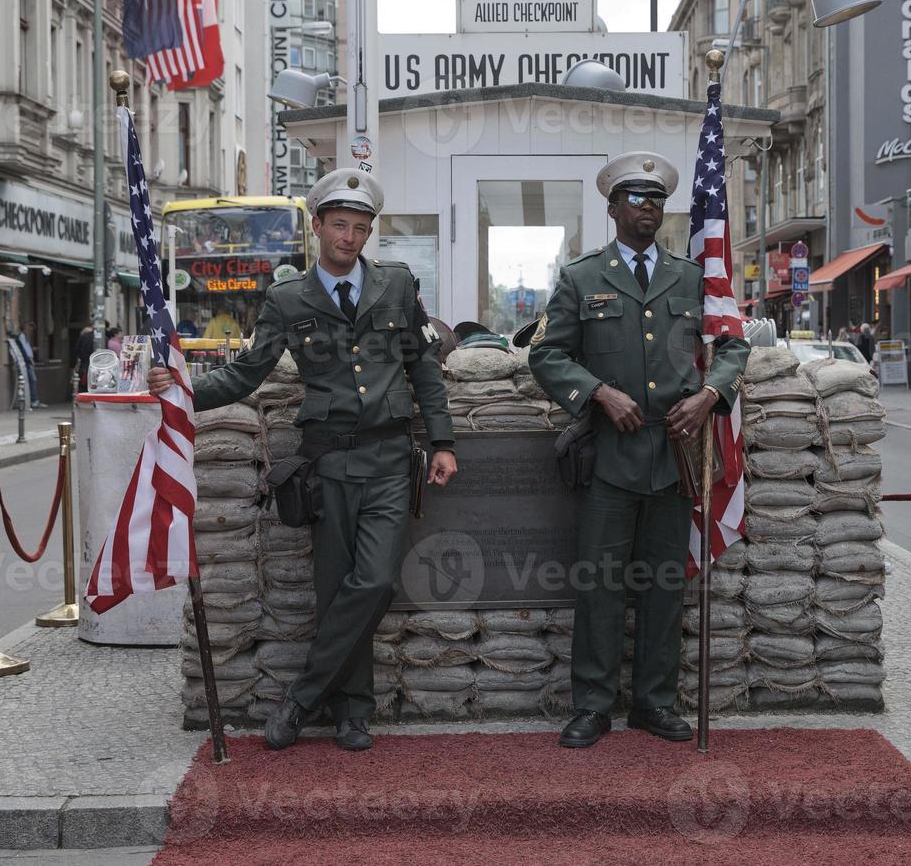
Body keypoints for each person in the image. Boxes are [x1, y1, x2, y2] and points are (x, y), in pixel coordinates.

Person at [147, 169, 456, 753]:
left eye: (361, 228)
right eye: (340, 225)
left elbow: (423, 370)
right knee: (338, 588)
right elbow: (246, 372)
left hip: (390, 459)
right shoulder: (288, 299)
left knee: (377, 580)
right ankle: (352, 713)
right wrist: (182, 390)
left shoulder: (396, 286)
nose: (350, 237)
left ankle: (302, 698)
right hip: (329, 464)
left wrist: (442, 442)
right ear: (317, 227)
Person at [528, 151, 751, 749]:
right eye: (635, 198)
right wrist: (598, 393)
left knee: (664, 585)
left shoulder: (690, 276)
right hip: (612, 454)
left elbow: (731, 345)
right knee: (600, 584)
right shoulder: (582, 277)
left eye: (656, 199)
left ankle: (654, 702)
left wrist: (710, 395)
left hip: (676, 454)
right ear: (612, 209)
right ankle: (594, 705)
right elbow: (547, 355)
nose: (648, 208)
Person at [18, 320, 43, 409]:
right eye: (30, 329)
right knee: (32, 380)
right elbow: (24, 349)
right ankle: (34, 400)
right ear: (26, 328)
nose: (31, 331)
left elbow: (27, 348)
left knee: (32, 380)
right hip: (27, 362)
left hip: (29, 361)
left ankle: (34, 399)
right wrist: (29, 359)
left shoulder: (25, 337)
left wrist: (32, 351)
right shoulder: (21, 337)